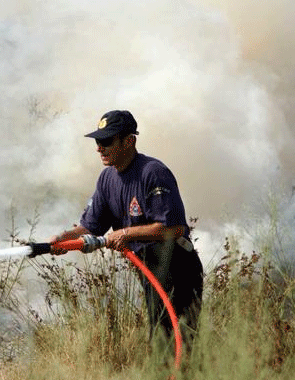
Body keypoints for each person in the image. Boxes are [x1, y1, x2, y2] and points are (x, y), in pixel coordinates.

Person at [50, 109, 203, 342]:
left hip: (177, 267)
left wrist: (125, 233)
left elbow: (173, 229)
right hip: (149, 269)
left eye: (106, 141)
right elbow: (91, 227)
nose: (99, 148)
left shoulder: (153, 173)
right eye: (98, 141)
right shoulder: (106, 179)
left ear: (129, 141)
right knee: (160, 339)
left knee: (180, 340)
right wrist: (66, 237)